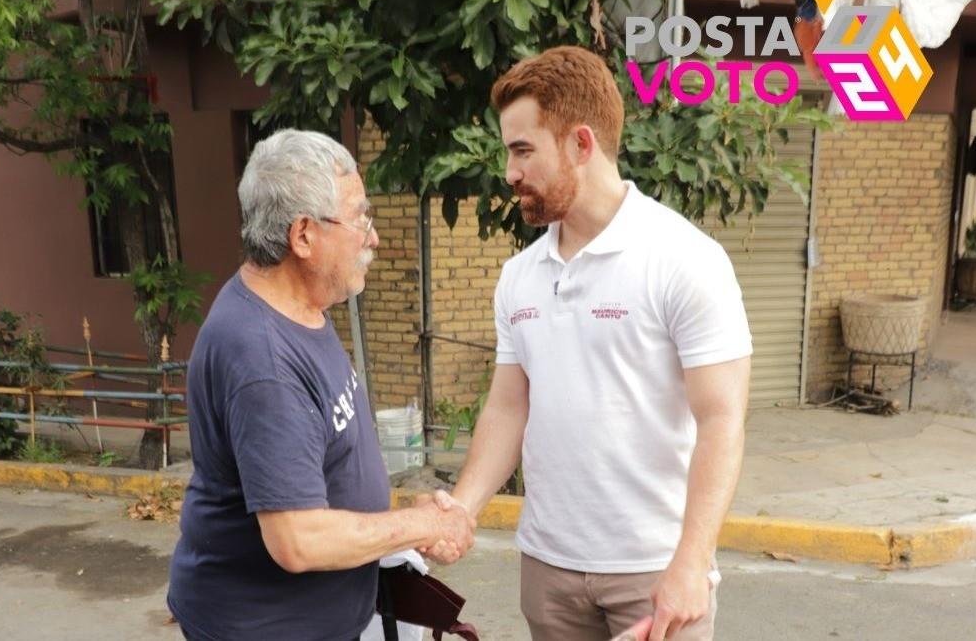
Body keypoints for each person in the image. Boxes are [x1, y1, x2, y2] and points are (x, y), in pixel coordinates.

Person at [440, 46, 753, 641]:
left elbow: (722, 419)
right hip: (549, 569)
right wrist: (463, 508)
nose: (509, 172)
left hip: (654, 572)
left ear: (581, 144)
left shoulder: (685, 260)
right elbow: (509, 406)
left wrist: (691, 561)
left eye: (523, 150)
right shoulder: (520, 277)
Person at [167, 129, 475, 641]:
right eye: (360, 218)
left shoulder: (300, 308)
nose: (372, 237)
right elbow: (298, 540)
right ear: (303, 235)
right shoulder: (262, 359)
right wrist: (421, 526)